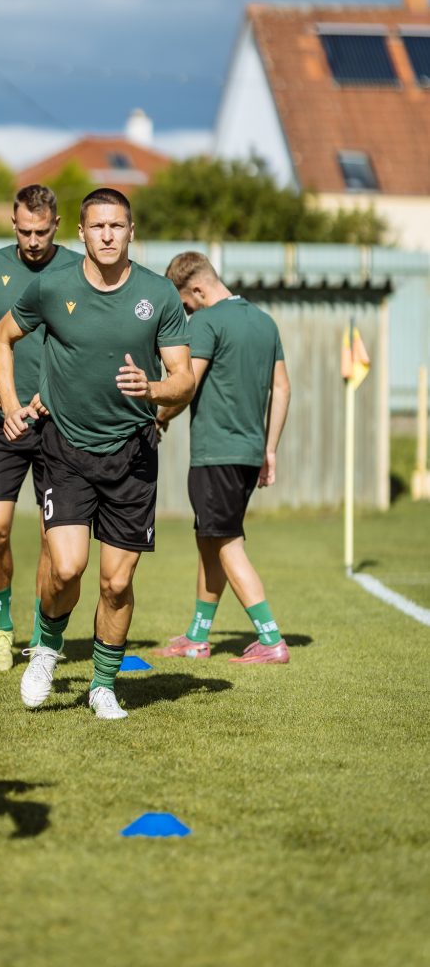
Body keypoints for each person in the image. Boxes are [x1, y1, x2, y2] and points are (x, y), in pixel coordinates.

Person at [0, 188, 194, 719]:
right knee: (66, 568)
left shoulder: (158, 295)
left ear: (131, 232)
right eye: (97, 226)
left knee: (117, 583)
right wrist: (9, 403)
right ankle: (46, 651)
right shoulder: (52, 286)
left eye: (117, 226)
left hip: (133, 454)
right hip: (66, 448)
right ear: (80, 232)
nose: (107, 235)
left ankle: (103, 685)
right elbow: (0, 338)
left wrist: (152, 389)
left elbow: (185, 378)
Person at [0, 185, 81, 672]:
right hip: (0, 423)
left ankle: (41, 639)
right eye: (24, 231)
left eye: (41, 232)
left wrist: (58, 389)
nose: (32, 241)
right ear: (13, 224)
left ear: (57, 225)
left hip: (58, 423)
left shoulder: (78, 268)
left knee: (53, 538)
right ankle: (2, 630)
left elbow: (88, 342)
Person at [153, 252, 291, 665]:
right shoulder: (265, 322)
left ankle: (270, 639)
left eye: (185, 303)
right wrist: (269, 448)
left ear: (197, 289)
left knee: (227, 543)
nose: (186, 312)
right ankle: (197, 637)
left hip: (216, 454)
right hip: (247, 454)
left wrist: (158, 417)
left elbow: (185, 386)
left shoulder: (206, 322)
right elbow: (282, 388)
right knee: (210, 541)